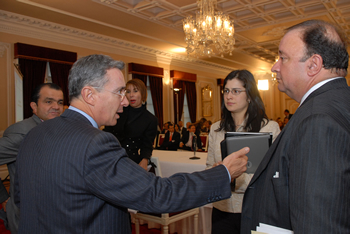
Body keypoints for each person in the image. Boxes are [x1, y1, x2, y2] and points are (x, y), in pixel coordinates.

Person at [14, 54, 249, 234]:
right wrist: (224, 173)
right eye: (119, 92)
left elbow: (21, 197)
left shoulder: (34, 134)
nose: (125, 101)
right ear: (89, 95)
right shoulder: (95, 143)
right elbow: (159, 194)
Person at [241, 20, 350, 233]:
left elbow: (319, 225)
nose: (274, 66)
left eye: (283, 58)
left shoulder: (318, 120)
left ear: (313, 65)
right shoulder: (335, 103)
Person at [206, 70, 280, 234]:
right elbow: (209, 167)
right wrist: (216, 171)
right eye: (226, 91)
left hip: (254, 208)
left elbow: (272, 174)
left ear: (249, 96)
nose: (228, 96)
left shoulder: (268, 128)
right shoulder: (216, 129)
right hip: (221, 208)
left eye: (235, 91)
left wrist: (228, 176)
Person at [0, 83, 64, 234]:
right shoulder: (23, 132)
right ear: (34, 106)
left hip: (57, 212)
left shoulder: (58, 127)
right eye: (49, 101)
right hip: (30, 216)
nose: (56, 106)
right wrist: (3, 198)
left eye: (60, 102)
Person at [103, 79, 157, 170]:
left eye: (135, 91)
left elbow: (147, 145)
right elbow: (106, 133)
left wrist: (145, 160)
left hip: (132, 162)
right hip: (109, 157)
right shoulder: (118, 112)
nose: (131, 95)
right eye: (128, 91)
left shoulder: (150, 119)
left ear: (143, 94)